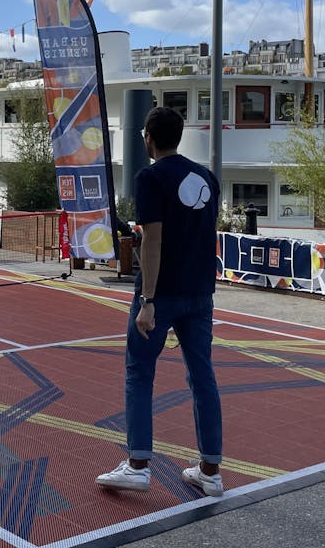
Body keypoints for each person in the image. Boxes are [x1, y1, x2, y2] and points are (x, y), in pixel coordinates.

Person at [95, 106, 225, 497]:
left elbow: (153, 239)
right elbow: (197, 233)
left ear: (149, 137)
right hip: (201, 293)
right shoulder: (207, 177)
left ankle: (137, 465)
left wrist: (147, 300)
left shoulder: (149, 177)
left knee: (139, 373)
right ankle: (210, 471)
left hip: (161, 293)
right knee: (202, 377)